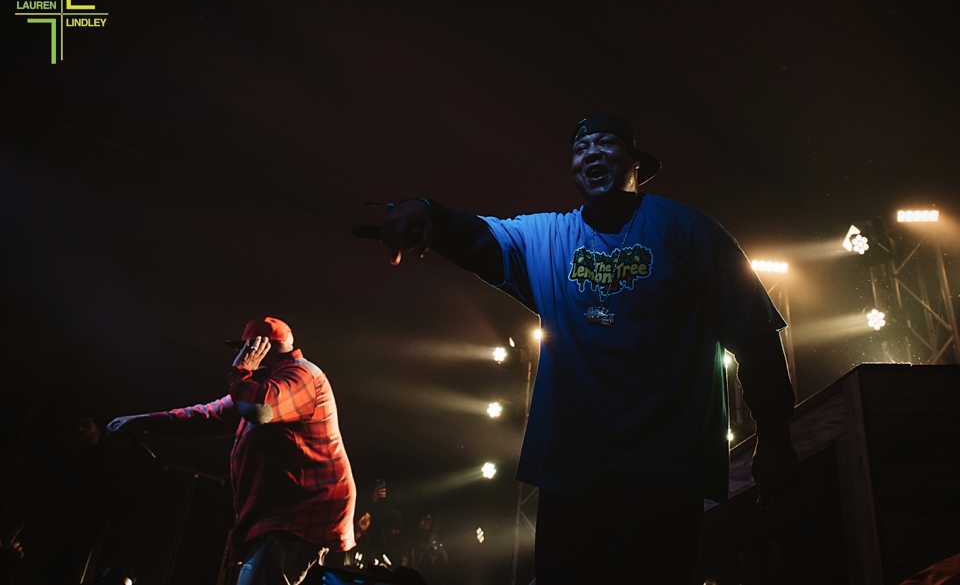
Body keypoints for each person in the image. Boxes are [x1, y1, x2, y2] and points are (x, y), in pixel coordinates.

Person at [375, 113, 800, 583]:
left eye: (605, 143)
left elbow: (754, 334)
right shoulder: (547, 237)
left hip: (661, 480)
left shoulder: (691, 231)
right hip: (571, 481)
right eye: (580, 148)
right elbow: (479, 236)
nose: (591, 153)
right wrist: (426, 211)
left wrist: (775, 438)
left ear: (635, 163)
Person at [107, 317, 356, 585]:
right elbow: (207, 416)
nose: (240, 355)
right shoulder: (262, 384)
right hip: (283, 513)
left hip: (302, 512)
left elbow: (260, 409)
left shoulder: (301, 375)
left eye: (243, 348)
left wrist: (240, 370)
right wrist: (144, 421)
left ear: (258, 346)